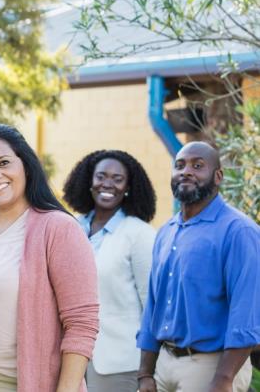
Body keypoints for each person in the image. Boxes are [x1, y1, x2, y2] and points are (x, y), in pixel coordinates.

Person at [0, 123, 99, 392]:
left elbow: (82, 324)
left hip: (15, 383)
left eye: (3, 163)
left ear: (25, 164)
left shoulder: (58, 228)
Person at [137, 141, 260, 392]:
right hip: (164, 364)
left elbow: (247, 310)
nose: (186, 171)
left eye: (198, 165)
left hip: (211, 366)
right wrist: (145, 373)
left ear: (218, 177)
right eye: (179, 165)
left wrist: (224, 378)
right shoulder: (166, 232)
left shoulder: (239, 231)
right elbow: (154, 305)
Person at [62, 150, 157, 392]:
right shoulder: (70, 226)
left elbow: (152, 305)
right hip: (68, 355)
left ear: (128, 187)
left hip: (118, 362)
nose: (108, 184)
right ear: (89, 182)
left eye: (117, 179)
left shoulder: (140, 234)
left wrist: (149, 369)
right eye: (101, 176)